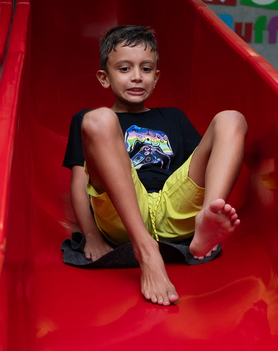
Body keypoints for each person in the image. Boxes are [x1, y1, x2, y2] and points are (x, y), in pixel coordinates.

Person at [63, 25, 247, 306]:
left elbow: (202, 165)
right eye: (125, 69)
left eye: (146, 69)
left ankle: (206, 217)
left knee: (232, 119)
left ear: (156, 77)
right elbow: (80, 182)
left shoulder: (173, 118)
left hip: (173, 206)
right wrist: (91, 235)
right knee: (98, 119)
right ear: (104, 78)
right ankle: (147, 251)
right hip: (124, 211)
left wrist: (204, 203)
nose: (137, 76)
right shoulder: (88, 121)